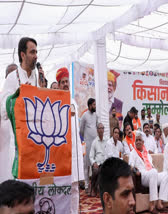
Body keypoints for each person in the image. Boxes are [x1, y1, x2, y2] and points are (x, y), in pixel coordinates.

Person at [0, 38, 45, 183]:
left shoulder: (36, 77)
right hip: (17, 144)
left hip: (35, 142)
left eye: (36, 52)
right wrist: (18, 96)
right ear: (23, 55)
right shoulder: (13, 78)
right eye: (32, 52)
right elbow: (3, 110)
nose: (36, 55)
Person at [56, 67, 84, 214]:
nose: (66, 84)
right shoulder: (55, 100)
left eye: (67, 81)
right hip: (61, 152)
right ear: (58, 84)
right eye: (63, 82)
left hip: (75, 153)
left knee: (74, 187)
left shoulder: (73, 102)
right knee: (62, 187)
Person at [129, 132, 168, 213]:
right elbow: (131, 166)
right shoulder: (133, 153)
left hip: (152, 174)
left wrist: (154, 170)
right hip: (142, 176)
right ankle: (151, 205)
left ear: (143, 142)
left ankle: (159, 204)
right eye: (136, 140)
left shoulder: (146, 152)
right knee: (153, 172)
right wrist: (136, 171)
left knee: (165, 175)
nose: (138, 142)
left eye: (140, 140)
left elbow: (151, 165)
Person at [80, 98, 98, 194]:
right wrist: (87, 139)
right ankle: (87, 185)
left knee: (94, 165)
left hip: (94, 144)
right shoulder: (84, 116)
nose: (95, 106)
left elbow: (95, 127)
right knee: (86, 165)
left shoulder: (95, 115)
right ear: (90, 105)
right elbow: (81, 130)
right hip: (87, 144)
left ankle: (94, 186)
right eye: (94, 105)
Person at [89, 123, 108, 197]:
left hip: (105, 163)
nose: (101, 130)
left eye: (102, 128)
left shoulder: (107, 140)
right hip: (97, 163)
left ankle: (100, 188)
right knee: (96, 170)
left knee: (104, 170)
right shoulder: (94, 142)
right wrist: (94, 163)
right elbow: (91, 156)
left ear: (104, 130)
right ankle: (94, 187)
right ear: (97, 130)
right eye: (99, 128)